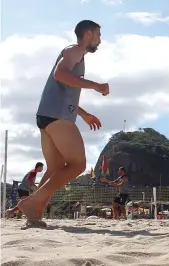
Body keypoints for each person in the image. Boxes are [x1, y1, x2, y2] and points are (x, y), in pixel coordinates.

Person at [17, 20, 109, 227]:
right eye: (98, 35)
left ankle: (34, 213)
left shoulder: (76, 56)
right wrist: (95, 85)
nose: (100, 40)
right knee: (78, 165)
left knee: (56, 167)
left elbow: (63, 91)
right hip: (57, 116)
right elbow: (60, 74)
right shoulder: (74, 50)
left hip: (47, 115)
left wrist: (83, 114)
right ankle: (32, 202)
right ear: (88, 34)